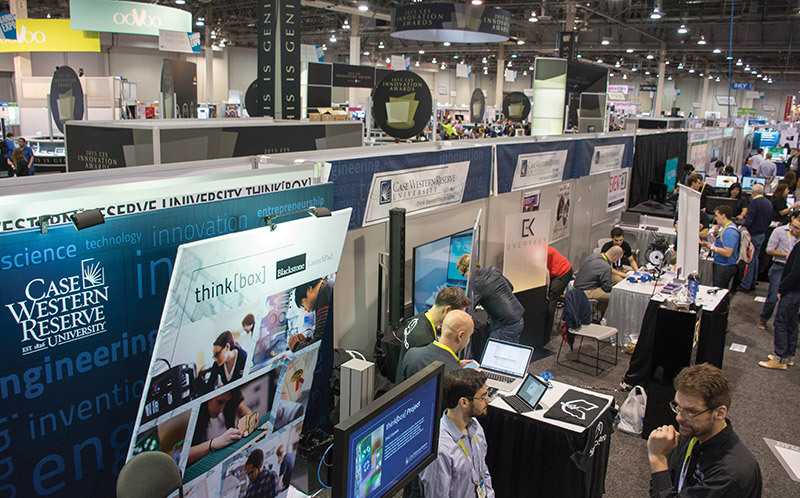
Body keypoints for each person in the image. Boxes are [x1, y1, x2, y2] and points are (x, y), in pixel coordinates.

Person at [647, 363, 762, 497]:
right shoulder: (695, 433)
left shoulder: (730, 474)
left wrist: (658, 458)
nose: (679, 418)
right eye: (678, 407)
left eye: (691, 411)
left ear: (719, 413)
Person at [419, 369, 495, 498]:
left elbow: (483, 472)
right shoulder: (441, 450)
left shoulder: (475, 427)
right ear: (464, 402)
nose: (487, 401)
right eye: (482, 397)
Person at [396, 287, 469, 380]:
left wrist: (455, 363)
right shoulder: (423, 338)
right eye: (457, 315)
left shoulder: (419, 318)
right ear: (447, 310)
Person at [457, 255, 525, 343]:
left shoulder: (476, 283)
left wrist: (480, 325)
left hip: (505, 325)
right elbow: (510, 287)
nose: (465, 277)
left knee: (495, 353)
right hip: (518, 318)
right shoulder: (493, 270)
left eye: (463, 274)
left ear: (467, 271)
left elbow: (468, 310)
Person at [397, 310, 474, 381]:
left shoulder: (412, 354)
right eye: (469, 336)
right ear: (460, 336)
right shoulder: (456, 377)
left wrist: (454, 363)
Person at [758, 240, 800, 370]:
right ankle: (787, 356)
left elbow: (795, 273)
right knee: (791, 323)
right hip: (796, 291)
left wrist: (782, 288)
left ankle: (779, 358)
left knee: (781, 322)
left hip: (792, 290)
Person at [188, 388, 252, 465]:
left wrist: (249, 422)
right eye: (220, 402)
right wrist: (213, 444)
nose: (222, 410)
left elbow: (245, 411)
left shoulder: (230, 391)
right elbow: (180, 458)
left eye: (226, 402)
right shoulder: (192, 412)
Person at [758, 215, 800, 329]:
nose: (794, 230)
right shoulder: (779, 231)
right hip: (779, 267)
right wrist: (787, 255)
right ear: (791, 220)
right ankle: (764, 318)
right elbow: (769, 250)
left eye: (798, 229)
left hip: (795, 271)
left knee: (792, 300)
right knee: (773, 297)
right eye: (794, 227)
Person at [739, 183, 772, 291]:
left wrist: (741, 225)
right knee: (755, 259)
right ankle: (752, 282)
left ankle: (746, 285)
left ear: (753, 193)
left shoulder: (754, 203)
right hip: (762, 234)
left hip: (753, 235)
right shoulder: (768, 202)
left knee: (749, 260)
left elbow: (749, 220)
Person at [573, 245, 623, 314]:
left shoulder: (593, 256)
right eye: (617, 259)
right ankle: (604, 317)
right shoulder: (606, 267)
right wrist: (614, 287)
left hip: (576, 285)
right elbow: (607, 288)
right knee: (613, 296)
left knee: (613, 280)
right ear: (615, 257)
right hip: (585, 291)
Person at [700, 205, 740, 293]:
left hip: (724, 266)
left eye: (716, 215)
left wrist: (711, 247)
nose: (715, 218)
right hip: (721, 264)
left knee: (720, 292)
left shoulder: (730, 232)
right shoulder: (724, 229)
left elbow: (728, 253)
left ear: (723, 216)